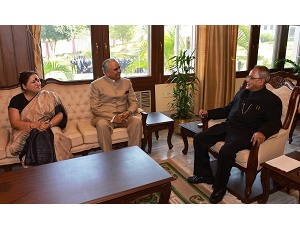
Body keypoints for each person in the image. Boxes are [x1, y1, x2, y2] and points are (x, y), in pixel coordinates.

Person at [187, 65, 282, 203]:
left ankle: (219, 187)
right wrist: (209, 112)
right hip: (229, 126)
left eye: (251, 77)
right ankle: (204, 175)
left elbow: (275, 123)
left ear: (261, 81)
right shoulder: (242, 93)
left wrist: (262, 132)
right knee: (199, 138)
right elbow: (227, 110)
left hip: (246, 133)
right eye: (248, 76)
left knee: (226, 151)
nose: (247, 79)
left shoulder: (272, 100)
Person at [8, 71, 73, 166]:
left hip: (50, 125)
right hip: (25, 128)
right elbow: (15, 122)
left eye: (38, 80)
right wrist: (36, 125)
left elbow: (59, 114)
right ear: (24, 86)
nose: (38, 83)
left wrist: (49, 124)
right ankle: (36, 172)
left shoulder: (50, 96)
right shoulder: (16, 100)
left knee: (56, 137)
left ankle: (61, 167)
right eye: (33, 82)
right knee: (34, 139)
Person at [90, 58, 142, 152]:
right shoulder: (96, 85)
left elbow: (134, 102)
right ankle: (108, 157)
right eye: (115, 69)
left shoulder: (127, 82)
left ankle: (135, 153)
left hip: (124, 116)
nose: (119, 71)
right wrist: (114, 117)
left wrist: (128, 112)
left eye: (119, 68)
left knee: (137, 121)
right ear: (107, 72)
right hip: (105, 117)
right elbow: (94, 108)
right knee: (102, 125)